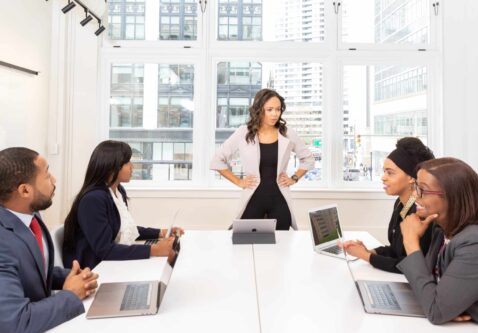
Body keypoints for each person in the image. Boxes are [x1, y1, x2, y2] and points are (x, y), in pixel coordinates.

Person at [0, 147, 99, 333]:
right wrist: (71, 294)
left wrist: (76, 279)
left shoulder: (30, 214)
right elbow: (15, 323)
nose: (54, 180)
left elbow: (33, 269)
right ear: (24, 190)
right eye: (46, 175)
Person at [398, 158, 478, 331]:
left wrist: (411, 242)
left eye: (422, 190)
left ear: (452, 196)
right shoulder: (441, 230)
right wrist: (445, 304)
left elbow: (436, 310)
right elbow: (430, 286)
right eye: (416, 187)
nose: (415, 195)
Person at [63, 140, 183, 270]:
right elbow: (104, 249)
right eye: (127, 162)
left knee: (171, 258)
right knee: (165, 261)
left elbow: (123, 228)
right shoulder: (93, 200)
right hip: (95, 269)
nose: (132, 166)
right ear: (111, 166)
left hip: (112, 262)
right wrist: (153, 250)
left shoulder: (118, 191)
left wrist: (160, 233)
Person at [210, 89, 314, 230]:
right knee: (245, 244)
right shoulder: (243, 132)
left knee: (281, 246)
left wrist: (294, 178)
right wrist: (239, 182)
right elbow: (217, 160)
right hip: (253, 199)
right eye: (269, 109)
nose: (275, 114)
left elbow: (308, 159)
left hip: (280, 200)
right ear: (259, 110)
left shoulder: (287, 133)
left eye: (278, 109)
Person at [342, 137, 435, 273]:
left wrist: (366, 256)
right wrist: (369, 251)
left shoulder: (421, 212)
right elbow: (395, 250)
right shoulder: (401, 204)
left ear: (411, 177)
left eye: (390, 173)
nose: (383, 177)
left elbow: (407, 264)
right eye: (384, 171)